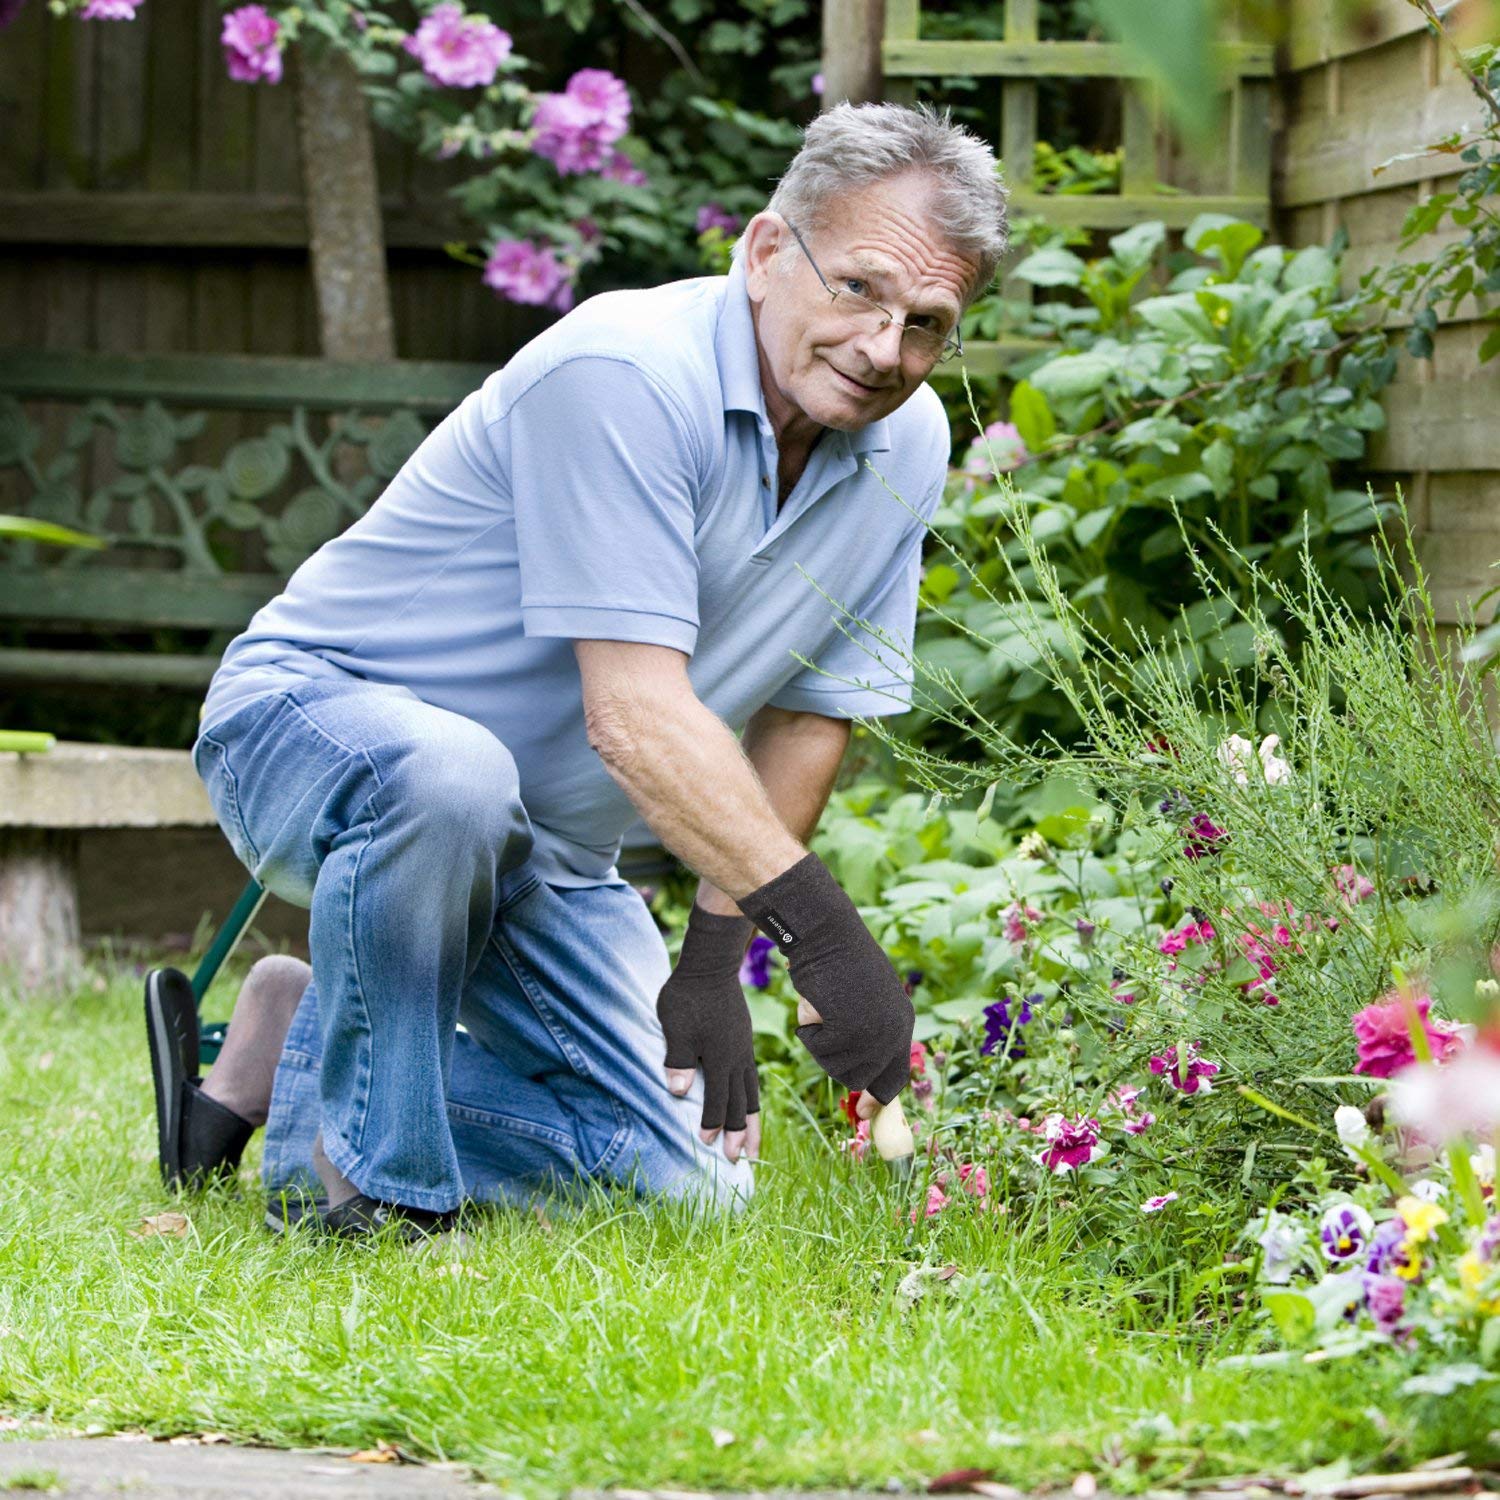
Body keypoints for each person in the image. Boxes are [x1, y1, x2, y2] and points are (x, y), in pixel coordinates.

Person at [148, 99, 1009, 1239]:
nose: (883, 349)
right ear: (766, 251)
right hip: (318, 727)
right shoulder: (627, 370)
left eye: (927, 322)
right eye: (858, 288)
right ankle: (369, 1191)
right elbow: (636, 716)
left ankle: (297, 1035)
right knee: (451, 774)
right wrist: (826, 938)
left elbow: (807, 713)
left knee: (691, 1193)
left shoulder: (908, 441)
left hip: (547, 849)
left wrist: (711, 958)